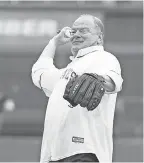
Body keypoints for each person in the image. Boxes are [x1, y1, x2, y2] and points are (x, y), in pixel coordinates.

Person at [31, 14, 123, 163]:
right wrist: (54, 42)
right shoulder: (65, 74)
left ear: (99, 38)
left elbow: (113, 82)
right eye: (74, 31)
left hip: (84, 153)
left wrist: (100, 80)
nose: (77, 35)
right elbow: (39, 73)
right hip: (54, 156)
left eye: (84, 30)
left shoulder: (104, 58)